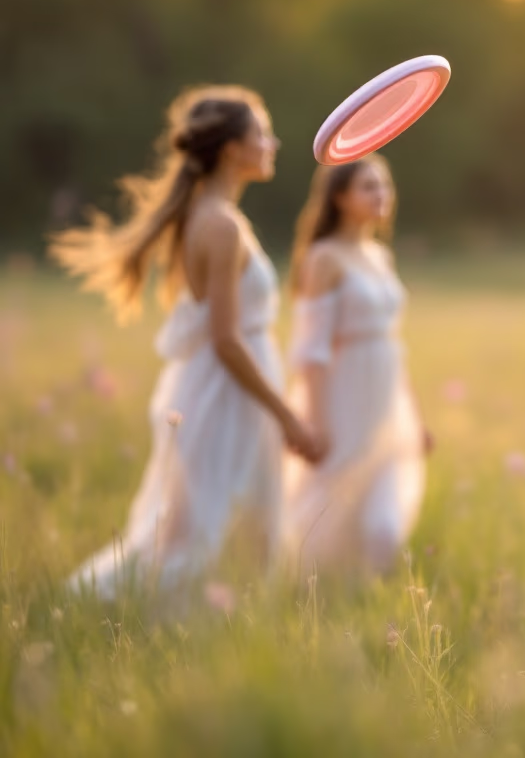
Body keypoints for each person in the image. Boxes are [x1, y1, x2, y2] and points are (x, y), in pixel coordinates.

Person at [51, 85, 322, 599]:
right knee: (204, 527)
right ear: (230, 150)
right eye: (261, 133)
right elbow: (225, 340)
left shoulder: (212, 217)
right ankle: (135, 614)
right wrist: (287, 415)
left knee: (207, 522)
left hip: (218, 387)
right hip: (226, 394)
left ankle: (211, 624)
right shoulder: (220, 225)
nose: (274, 143)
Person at [281, 153, 430, 577]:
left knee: (383, 525)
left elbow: (391, 344)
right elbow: (310, 350)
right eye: (368, 186)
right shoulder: (324, 259)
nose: (381, 194)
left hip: (386, 398)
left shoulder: (380, 255)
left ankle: (366, 603)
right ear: (340, 197)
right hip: (341, 399)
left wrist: (414, 418)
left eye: (384, 185)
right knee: (326, 509)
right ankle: (305, 593)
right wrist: (317, 421)